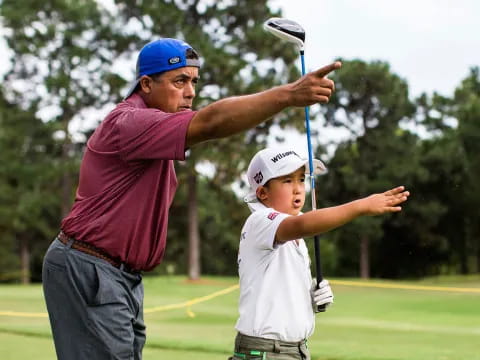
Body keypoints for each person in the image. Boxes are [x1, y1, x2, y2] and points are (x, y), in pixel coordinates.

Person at [41, 38, 341, 360]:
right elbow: (210, 122)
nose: (191, 92)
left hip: (118, 273)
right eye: (179, 81)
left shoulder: (152, 131)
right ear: (146, 84)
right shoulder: (129, 123)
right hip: (91, 266)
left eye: (194, 81)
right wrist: (288, 95)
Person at [230, 147, 410, 360]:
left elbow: (277, 293)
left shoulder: (293, 235)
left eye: (301, 180)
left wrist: (309, 299)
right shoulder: (260, 222)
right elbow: (303, 224)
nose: (298, 189)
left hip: (294, 350)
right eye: (287, 181)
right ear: (262, 193)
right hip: (266, 352)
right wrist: (362, 206)